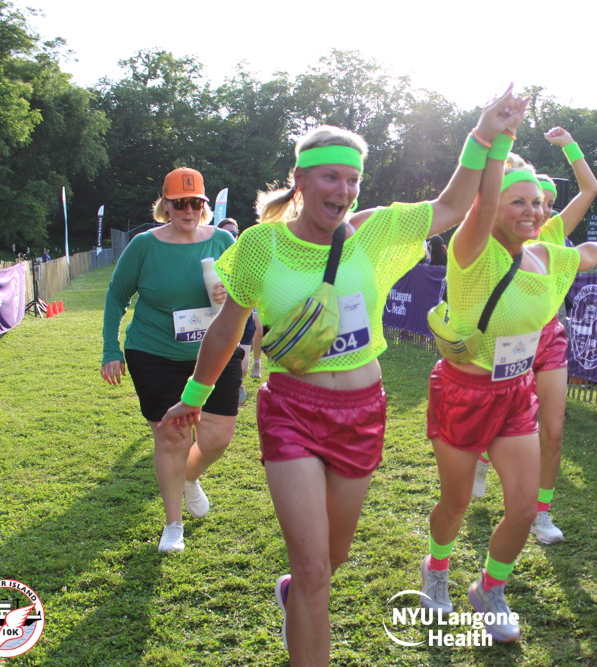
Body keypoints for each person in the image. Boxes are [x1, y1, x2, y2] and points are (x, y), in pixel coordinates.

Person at [158, 87, 527, 664]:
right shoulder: (260, 245)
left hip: (362, 413)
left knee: (332, 559)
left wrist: (485, 135)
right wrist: (194, 397)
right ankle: (303, 601)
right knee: (313, 570)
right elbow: (228, 328)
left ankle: (294, 596)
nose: (344, 190)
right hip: (292, 412)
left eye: (353, 180)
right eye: (331, 177)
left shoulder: (373, 233)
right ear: (301, 181)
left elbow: (453, 206)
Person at [421, 118, 597, 642]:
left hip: (515, 395)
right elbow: (480, 203)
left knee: (522, 508)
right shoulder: (472, 252)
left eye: (537, 203)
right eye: (518, 202)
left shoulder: (546, 254)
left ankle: (489, 588)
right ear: (490, 205)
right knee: (455, 504)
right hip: (463, 394)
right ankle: (437, 568)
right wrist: (500, 138)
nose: (533, 211)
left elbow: (587, 255)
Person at [471, 126, 597, 550]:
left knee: (554, 430)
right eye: (530, 200)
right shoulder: (497, 236)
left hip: (549, 338)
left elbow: (591, 188)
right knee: (498, 420)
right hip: (510, 338)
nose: (539, 209)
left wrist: (570, 145)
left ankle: (541, 512)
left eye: (545, 202)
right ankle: (482, 457)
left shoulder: (554, 231)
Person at [100, 167, 239, 553]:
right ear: (165, 205)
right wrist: (111, 350)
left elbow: (246, 295)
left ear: (204, 206)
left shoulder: (223, 240)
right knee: (171, 436)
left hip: (214, 352)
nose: (188, 210)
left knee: (217, 438)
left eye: (195, 203)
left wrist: (231, 297)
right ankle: (173, 524)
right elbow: (116, 296)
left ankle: (189, 477)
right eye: (180, 203)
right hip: (154, 352)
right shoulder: (144, 245)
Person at [216, 218, 253, 405]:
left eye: (234, 234)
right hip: (219, 320)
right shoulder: (213, 259)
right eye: (227, 233)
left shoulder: (246, 256)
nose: (231, 237)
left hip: (244, 319)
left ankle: (238, 383)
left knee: (243, 367)